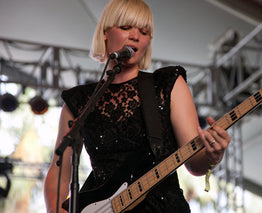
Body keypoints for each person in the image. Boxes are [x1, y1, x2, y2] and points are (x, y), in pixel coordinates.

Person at [44, 0, 231, 212]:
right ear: (105, 32)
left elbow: (194, 164)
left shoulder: (167, 84)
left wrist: (212, 157)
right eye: (126, 28)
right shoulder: (79, 101)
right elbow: (59, 172)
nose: (136, 36)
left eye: (144, 31)